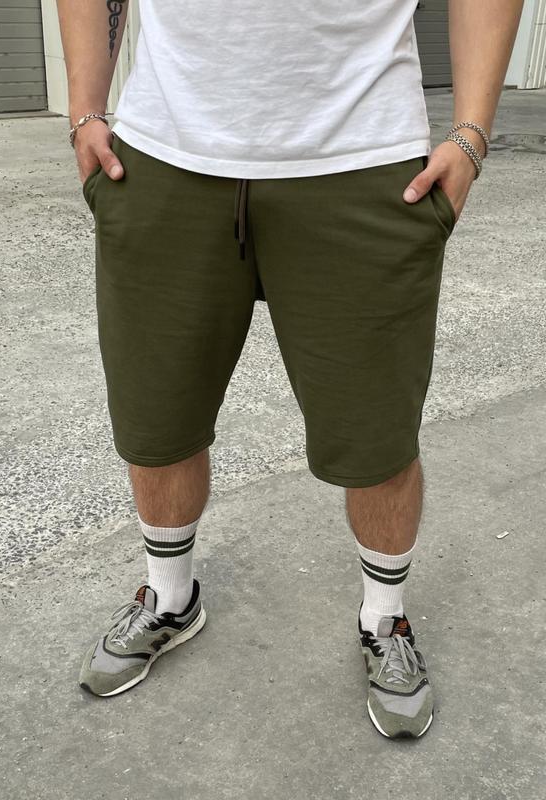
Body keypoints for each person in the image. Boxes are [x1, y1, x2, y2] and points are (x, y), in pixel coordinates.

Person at [56, 0, 523, 737]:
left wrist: (471, 134)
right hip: (166, 155)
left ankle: (385, 619)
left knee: (375, 437)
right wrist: (85, 108)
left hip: (360, 159)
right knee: (156, 415)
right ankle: (170, 598)